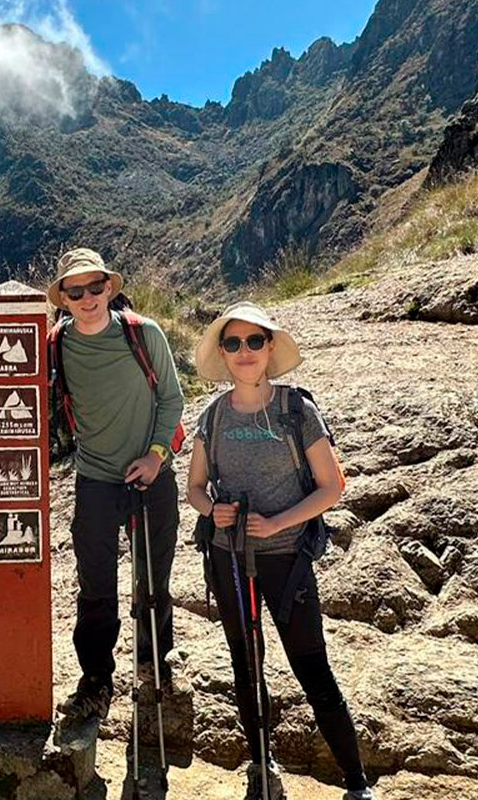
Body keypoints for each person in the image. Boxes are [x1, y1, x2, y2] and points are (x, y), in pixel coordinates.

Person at [184, 302, 373, 800]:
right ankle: (260, 762)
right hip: (229, 558)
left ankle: (356, 782)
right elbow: (197, 488)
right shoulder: (213, 416)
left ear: (269, 348)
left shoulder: (297, 411)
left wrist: (276, 525)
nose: (244, 352)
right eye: (233, 343)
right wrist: (213, 513)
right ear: (223, 355)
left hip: (288, 561)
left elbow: (332, 487)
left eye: (253, 341)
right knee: (246, 664)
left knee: (312, 667)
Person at [46, 248, 186, 725]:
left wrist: (155, 456)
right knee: (95, 585)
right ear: (63, 298)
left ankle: (153, 662)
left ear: (111, 287)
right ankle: (96, 677)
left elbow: (172, 398)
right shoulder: (55, 344)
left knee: (153, 580)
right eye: (75, 290)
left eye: (95, 287)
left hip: (153, 476)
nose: (87, 298)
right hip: (96, 479)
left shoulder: (143, 335)